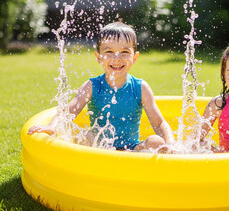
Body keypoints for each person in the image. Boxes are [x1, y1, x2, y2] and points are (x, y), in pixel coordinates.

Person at [28, 21, 174, 152]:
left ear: (134, 57)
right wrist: (52, 127)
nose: (117, 58)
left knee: (156, 142)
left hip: (132, 149)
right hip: (101, 147)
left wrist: (170, 143)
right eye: (109, 52)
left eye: (124, 52)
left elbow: (159, 122)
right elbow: (70, 110)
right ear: (98, 57)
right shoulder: (92, 86)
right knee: (85, 136)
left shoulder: (140, 87)